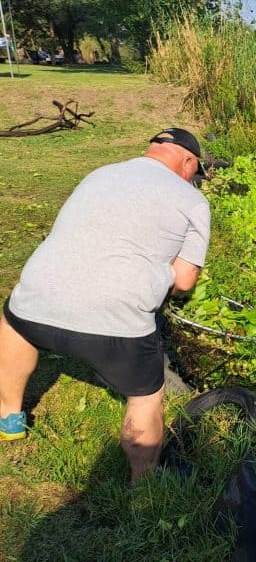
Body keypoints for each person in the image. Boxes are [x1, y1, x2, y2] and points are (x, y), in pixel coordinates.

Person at [0, 128, 210, 485]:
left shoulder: (99, 173)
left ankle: (9, 421)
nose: (195, 180)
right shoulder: (192, 200)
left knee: (13, 324)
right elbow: (185, 281)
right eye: (196, 173)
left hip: (35, 300)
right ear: (188, 161)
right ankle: (143, 481)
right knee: (146, 396)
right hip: (118, 323)